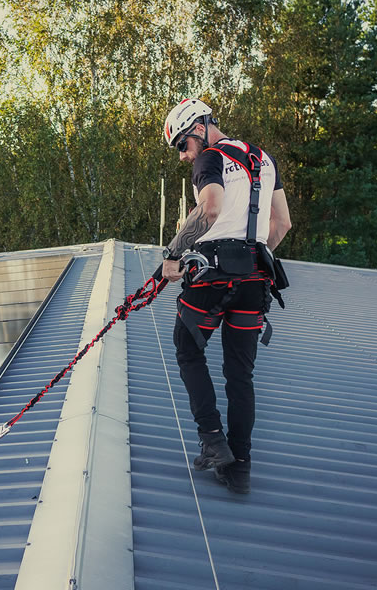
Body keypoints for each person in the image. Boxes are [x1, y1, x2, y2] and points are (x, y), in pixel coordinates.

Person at [160, 98, 292, 494]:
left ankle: (213, 440)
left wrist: (172, 254)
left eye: (182, 145)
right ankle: (240, 467)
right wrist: (252, 253)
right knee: (240, 375)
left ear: (199, 128)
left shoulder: (210, 158)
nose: (184, 157)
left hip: (212, 278)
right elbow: (282, 223)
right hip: (255, 279)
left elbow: (211, 209)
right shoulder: (263, 159)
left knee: (187, 349)